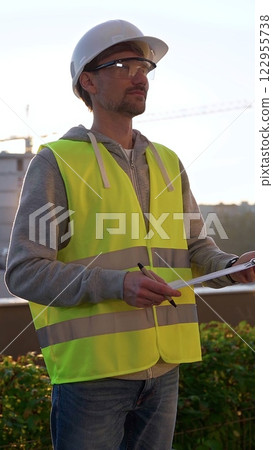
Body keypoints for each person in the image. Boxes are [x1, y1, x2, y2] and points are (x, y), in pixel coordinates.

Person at [5, 19, 255, 450]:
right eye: (123, 64)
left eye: (144, 66)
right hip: (93, 377)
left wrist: (233, 268)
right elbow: (25, 271)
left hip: (165, 370)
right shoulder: (56, 163)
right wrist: (118, 284)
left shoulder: (168, 161)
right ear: (88, 81)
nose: (140, 75)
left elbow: (196, 246)